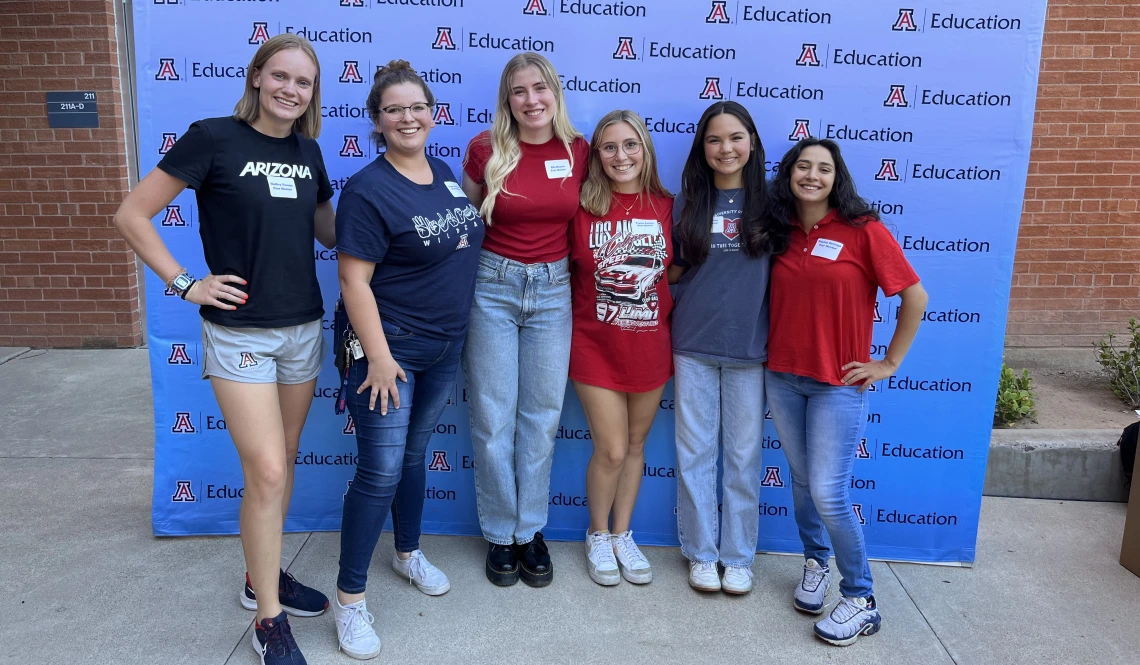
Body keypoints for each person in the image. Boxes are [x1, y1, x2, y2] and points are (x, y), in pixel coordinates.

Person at [113, 34, 334, 665]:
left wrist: (398, 220)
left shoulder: (308, 151)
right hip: (238, 332)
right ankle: (269, 620)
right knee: (265, 470)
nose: (293, 89)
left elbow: (328, 227)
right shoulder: (212, 137)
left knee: (285, 459)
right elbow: (132, 214)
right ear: (258, 77)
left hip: (301, 328)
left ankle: (256, 577)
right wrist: (186, 284)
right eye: (282, 76)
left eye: (305, 82)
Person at [331, 60, 485, 660]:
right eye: (393, 110)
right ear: (377, 121)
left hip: (445, 345)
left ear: (432, 112)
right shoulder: (368, 189)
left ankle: (407, 552)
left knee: (414, 457)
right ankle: (350, 601)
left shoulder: (443, 173)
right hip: (389, 352)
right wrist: (376, 357)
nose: (408, 117)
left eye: (417, 107)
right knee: (379, 471)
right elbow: (353, 282)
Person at [764, 138, 927, 646]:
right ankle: (815, 564)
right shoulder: (780, 231)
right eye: (803, 167)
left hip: (838, 385)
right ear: (789, 174)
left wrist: (889, 362)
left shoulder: (864, 232)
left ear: (838, 178)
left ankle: (861, 597)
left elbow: (915, 297)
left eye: (824, 169)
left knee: (829, 492)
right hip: (782, 377)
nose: (812, 176)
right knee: (799, 479)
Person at [460, 52, 589, 587]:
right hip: (492, 286)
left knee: (541, 414)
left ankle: (530, 529)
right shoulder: (485, 149)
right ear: (507, 100)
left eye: (541, 88)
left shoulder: (578, 150)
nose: (532, 100)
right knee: (493, 417)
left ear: (554, 93)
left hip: (555, 290)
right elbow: (464, 226)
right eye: (520, 91)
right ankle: (498, 533)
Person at [668, 101, 774, 595]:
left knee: (743, 456)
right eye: (714, 139)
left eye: (735, 137)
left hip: (750, 349)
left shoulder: (776, 205)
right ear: (702, 148)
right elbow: (670, 272)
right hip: (692, 343)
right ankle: (701, 554)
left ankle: (738, 556)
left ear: (751, 142)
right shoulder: (686, 202)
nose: (725, 148)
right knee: (694, 454)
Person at [569, 110, 673, 586]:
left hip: (651, 344)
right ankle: (596, 533)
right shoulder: (581, 205)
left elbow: (676, 270)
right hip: (593, 345)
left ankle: (622, 533)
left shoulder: (668, 206)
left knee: (635, 445)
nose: (621, 155)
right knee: (610, 449)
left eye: (631, 145)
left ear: (645, 149)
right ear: (597, 155)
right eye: (609, 147)